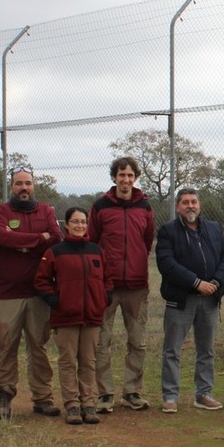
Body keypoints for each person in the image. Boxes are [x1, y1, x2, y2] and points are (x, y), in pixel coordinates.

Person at [0, 167, 63, 420]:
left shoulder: (46, 211)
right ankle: (3, 396)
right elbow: (1, 237)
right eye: (19, 183)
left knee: (39, 345)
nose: (24, 187)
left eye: (28, 183)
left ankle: (43, 398)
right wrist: (37, 238)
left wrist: (20, 240)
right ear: (11, 186)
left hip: (39, 291)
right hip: (8, 291)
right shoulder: (1, 211)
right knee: (6, 345)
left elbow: (54, 237)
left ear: (34, 186)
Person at [155, 188, 224, 413]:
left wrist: (216, 282)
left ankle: (204, 394)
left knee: (206, 349)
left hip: (210, 299)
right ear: (177, 207)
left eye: (194, 201)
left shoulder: (215, 228)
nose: (190, 206)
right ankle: (170, 396)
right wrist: (196, 283)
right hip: (180, 299)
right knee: (172, 349)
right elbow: (167, 264)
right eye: (185, 202)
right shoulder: (168, 231)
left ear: (199, 205)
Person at [89, 156, 155, 412]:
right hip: (106, 286)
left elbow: (147, 241)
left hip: (137, 287)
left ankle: (132, 392)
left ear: (135, 177)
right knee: (101, 340)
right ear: (114, 177)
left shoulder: (145, 208)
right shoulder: (101, 206)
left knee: (137, 341)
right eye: (121, 175)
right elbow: (92, 243)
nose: (125, 180)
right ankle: (105, 394)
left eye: (130, 175)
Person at [35, 207, 112, 425]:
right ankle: (72, 405)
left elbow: (108, 278)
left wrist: (105, 297)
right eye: (75, 221)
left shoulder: (96, 251)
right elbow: (41, 280)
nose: (80, 225)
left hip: (92, 318)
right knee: (68, 362)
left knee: (88, 362)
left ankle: (88, 404)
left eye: (83, 222)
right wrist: (55, 301)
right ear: (66, 224)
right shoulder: (55, 252)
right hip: (66, 317)